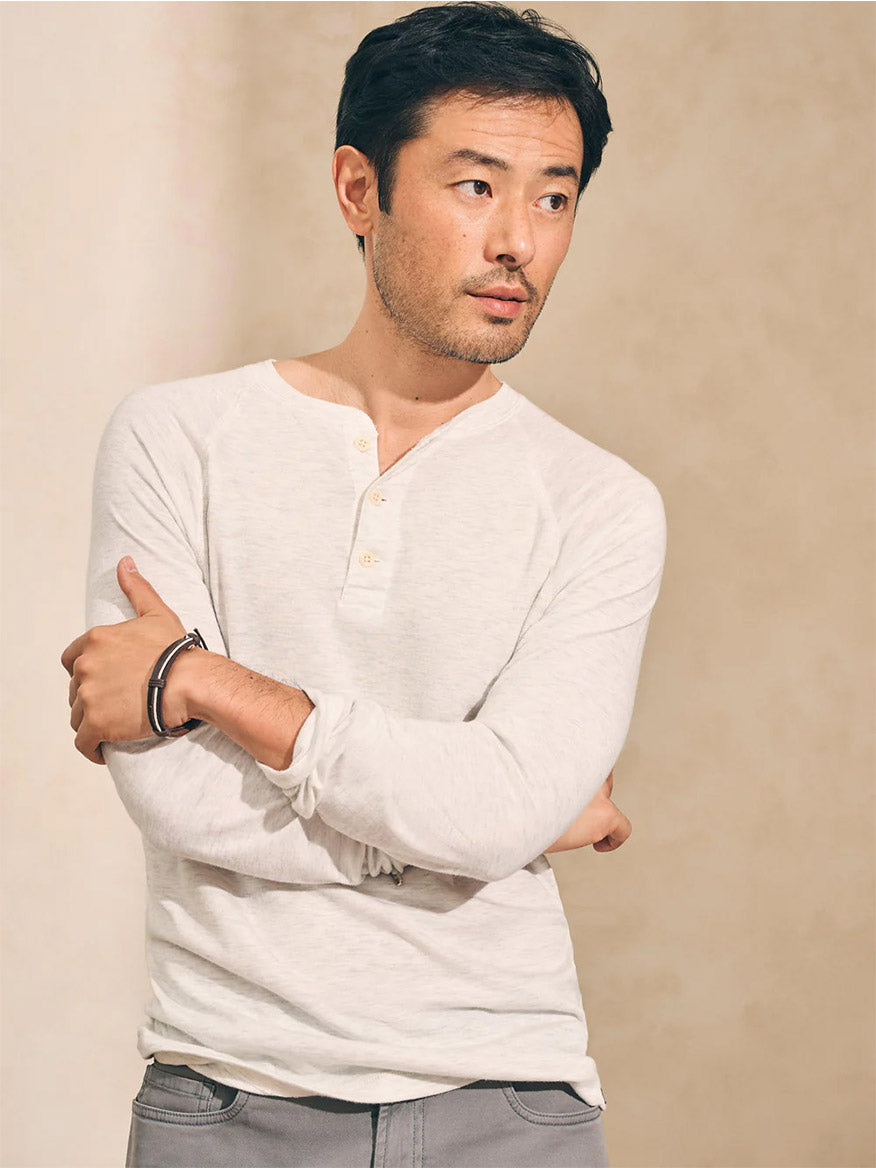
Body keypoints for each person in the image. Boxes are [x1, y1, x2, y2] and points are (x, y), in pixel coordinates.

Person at [60, 4, 666, 1165]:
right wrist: (490, 830)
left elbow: (495, 807)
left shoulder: (601, 502)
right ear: (358, 189)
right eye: (476, 185)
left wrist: (210, 684)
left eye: (555, 195)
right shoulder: (176, 439)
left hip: (510, 1102)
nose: (520, 242)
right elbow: (177, 799)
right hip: (227, 1098)